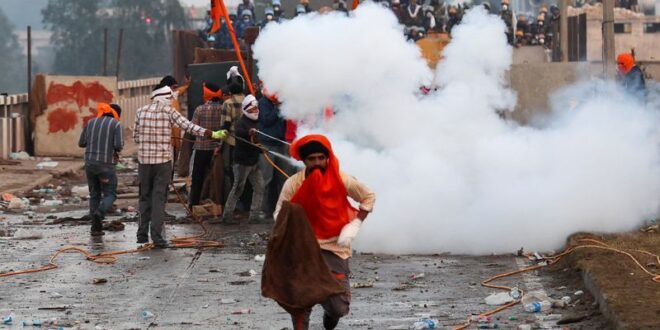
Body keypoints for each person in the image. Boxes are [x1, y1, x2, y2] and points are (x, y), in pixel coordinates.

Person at [274, 134, 376, 330]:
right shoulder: (294, 183)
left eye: (321, 158)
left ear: (327, 158)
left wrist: (355, 224)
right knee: (300, 305)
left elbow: (368, 197)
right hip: (302, 249)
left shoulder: (342, 179)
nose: (317, 163)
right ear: (304, 161)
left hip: (334, 248)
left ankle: (330, 317)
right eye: (312, 159)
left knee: (338, 307)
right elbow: (280, 211)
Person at [133, 83, 222, 248]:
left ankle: (142, 235)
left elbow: (136, 137)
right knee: (159, 198)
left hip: (144, 163)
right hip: (162, 163)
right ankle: (158, 238)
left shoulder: (140, 111)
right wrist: (212, 133)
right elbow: (188, 126)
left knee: (144, 197)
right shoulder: (169, 111)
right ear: (166, 98)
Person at [78, 103, 124, 236]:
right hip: (106, 165)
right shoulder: (116, 124)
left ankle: (95, 228)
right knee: (110, 193)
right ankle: (100, 212)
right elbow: (118, 145)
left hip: (90, 164)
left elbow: (81, 143)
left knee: (94, 194)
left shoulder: (90, 123)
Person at [221, 95, 265, 224]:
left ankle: (254, 216)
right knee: (237, 189)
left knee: (260, 187)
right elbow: (241, 134)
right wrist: (250, 133)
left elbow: (256, 140)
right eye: (252, 110)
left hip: (254, 162)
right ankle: (227, 216)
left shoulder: (257, 122)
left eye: (256, 109)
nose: (255, 111)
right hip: (242, 163)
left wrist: (260, 147)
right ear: (246, 110)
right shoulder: (241, 123)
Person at [189, 82, 225, 209]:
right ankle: (219, 203)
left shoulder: (199, 109)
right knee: (218, 178)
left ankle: (193, 204)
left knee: (197, 178)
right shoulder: (223, 109)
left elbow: (192, 128)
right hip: (218, 149)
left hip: (201, 148)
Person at [257, 88, 291, 216]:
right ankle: (262, 209)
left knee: (284, 178)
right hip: (267, 145)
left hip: (281, 144)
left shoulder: (280, 103)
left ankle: (283, 208)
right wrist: (277, 108)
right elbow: (267, 120)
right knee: (266, 179)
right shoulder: (262, 103)